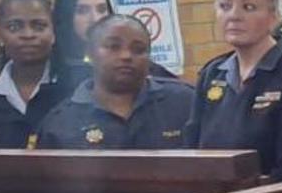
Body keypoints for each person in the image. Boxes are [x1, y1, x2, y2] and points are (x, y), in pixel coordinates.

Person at [186, 0, 282, 181]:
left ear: (273, 16)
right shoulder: (212, 73)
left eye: (249, 7)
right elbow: (192, 151)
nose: (234, 16)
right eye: (225, 6)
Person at [34, 15, 193, 149]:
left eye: (138, 49)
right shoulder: (59, 123)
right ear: (90, 53)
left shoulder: (185, 103)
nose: (126, 56)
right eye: (113, 47)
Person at [0, 0, 80, 148]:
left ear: (53, 32)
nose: (28, 34)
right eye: (14, 27)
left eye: (39, 26)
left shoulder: (82, 85)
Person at [53, 0, 179, 80]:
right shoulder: (51, 69)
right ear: (66, 15)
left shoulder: (134, 62)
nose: (95, 18)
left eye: (101, 9)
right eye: (82, 10)